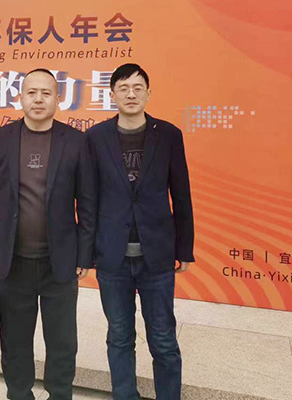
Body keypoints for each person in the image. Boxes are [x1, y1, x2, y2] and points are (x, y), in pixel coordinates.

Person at [0, 68, 95, 400]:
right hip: (12, 262)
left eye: (46, 93)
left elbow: (87, 203)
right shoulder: (0, 139)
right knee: (15, 342)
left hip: (61, 263)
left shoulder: (76, 141)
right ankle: (19, 394)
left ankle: (60, 394)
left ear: (58, 99)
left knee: (62, 342)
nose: (38, 99)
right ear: (21, 97)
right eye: (32, 92)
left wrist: (85, 254)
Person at [85, 63, 194, 400]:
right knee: (119, 336)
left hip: (156, 257)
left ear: (148, 93)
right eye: (123, 88)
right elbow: (88, 199)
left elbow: (181, 194)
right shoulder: (95, 138)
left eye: (137, 88)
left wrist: (184, 248)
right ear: (112, 95)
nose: (130, 94)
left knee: (163, 338)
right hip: (112, 258)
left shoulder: (169, 135)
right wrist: (86, 254)